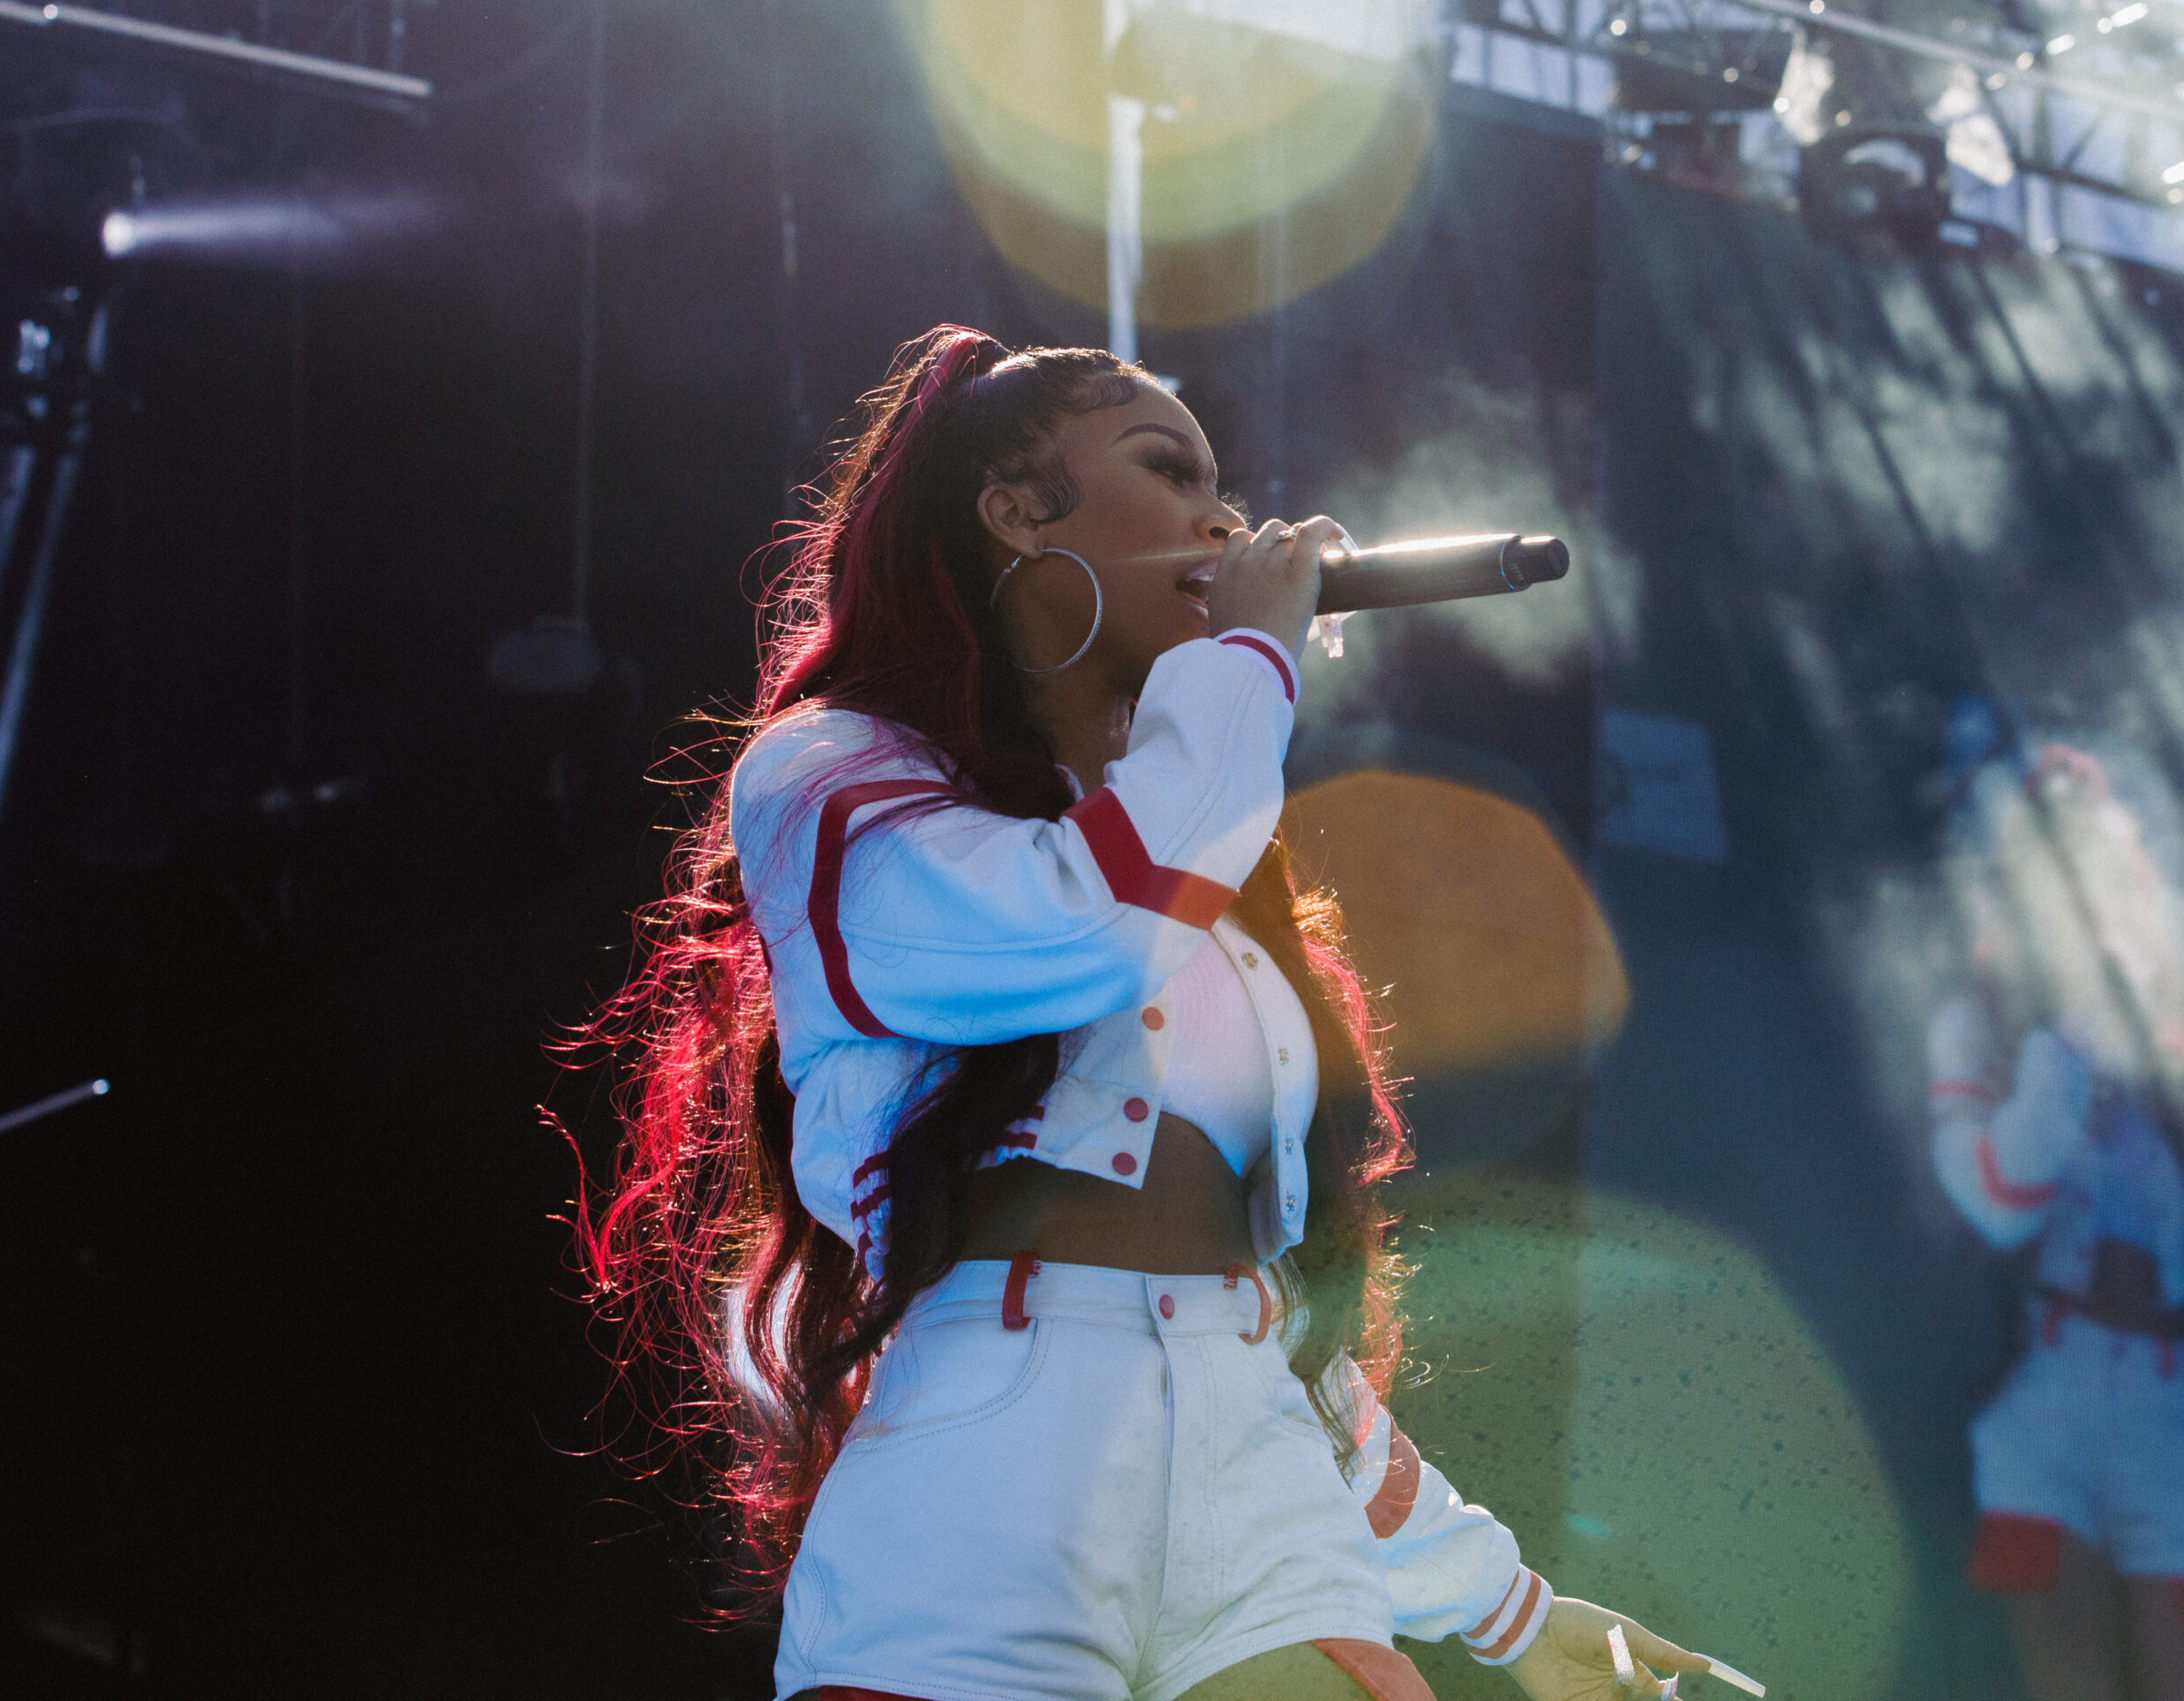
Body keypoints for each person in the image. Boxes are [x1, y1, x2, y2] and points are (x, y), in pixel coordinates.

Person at [583, 327, 1709, 1701]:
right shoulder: (836, 781)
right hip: (997, 1464)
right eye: (1170, 469)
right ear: (1013, 510)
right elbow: (1080, 925)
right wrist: (1245, 663)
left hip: (1259, 1484)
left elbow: (1265, 1323)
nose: (1224, 517)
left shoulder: (1222, 886)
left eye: (1223, 487)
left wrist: (1515, 1616)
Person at [1929, 739, 2184, 1701]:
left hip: (2170, 1412)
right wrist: (2071, 1029)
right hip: (2047, 1401)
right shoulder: (1979, 1022)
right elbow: (1997, 1200)